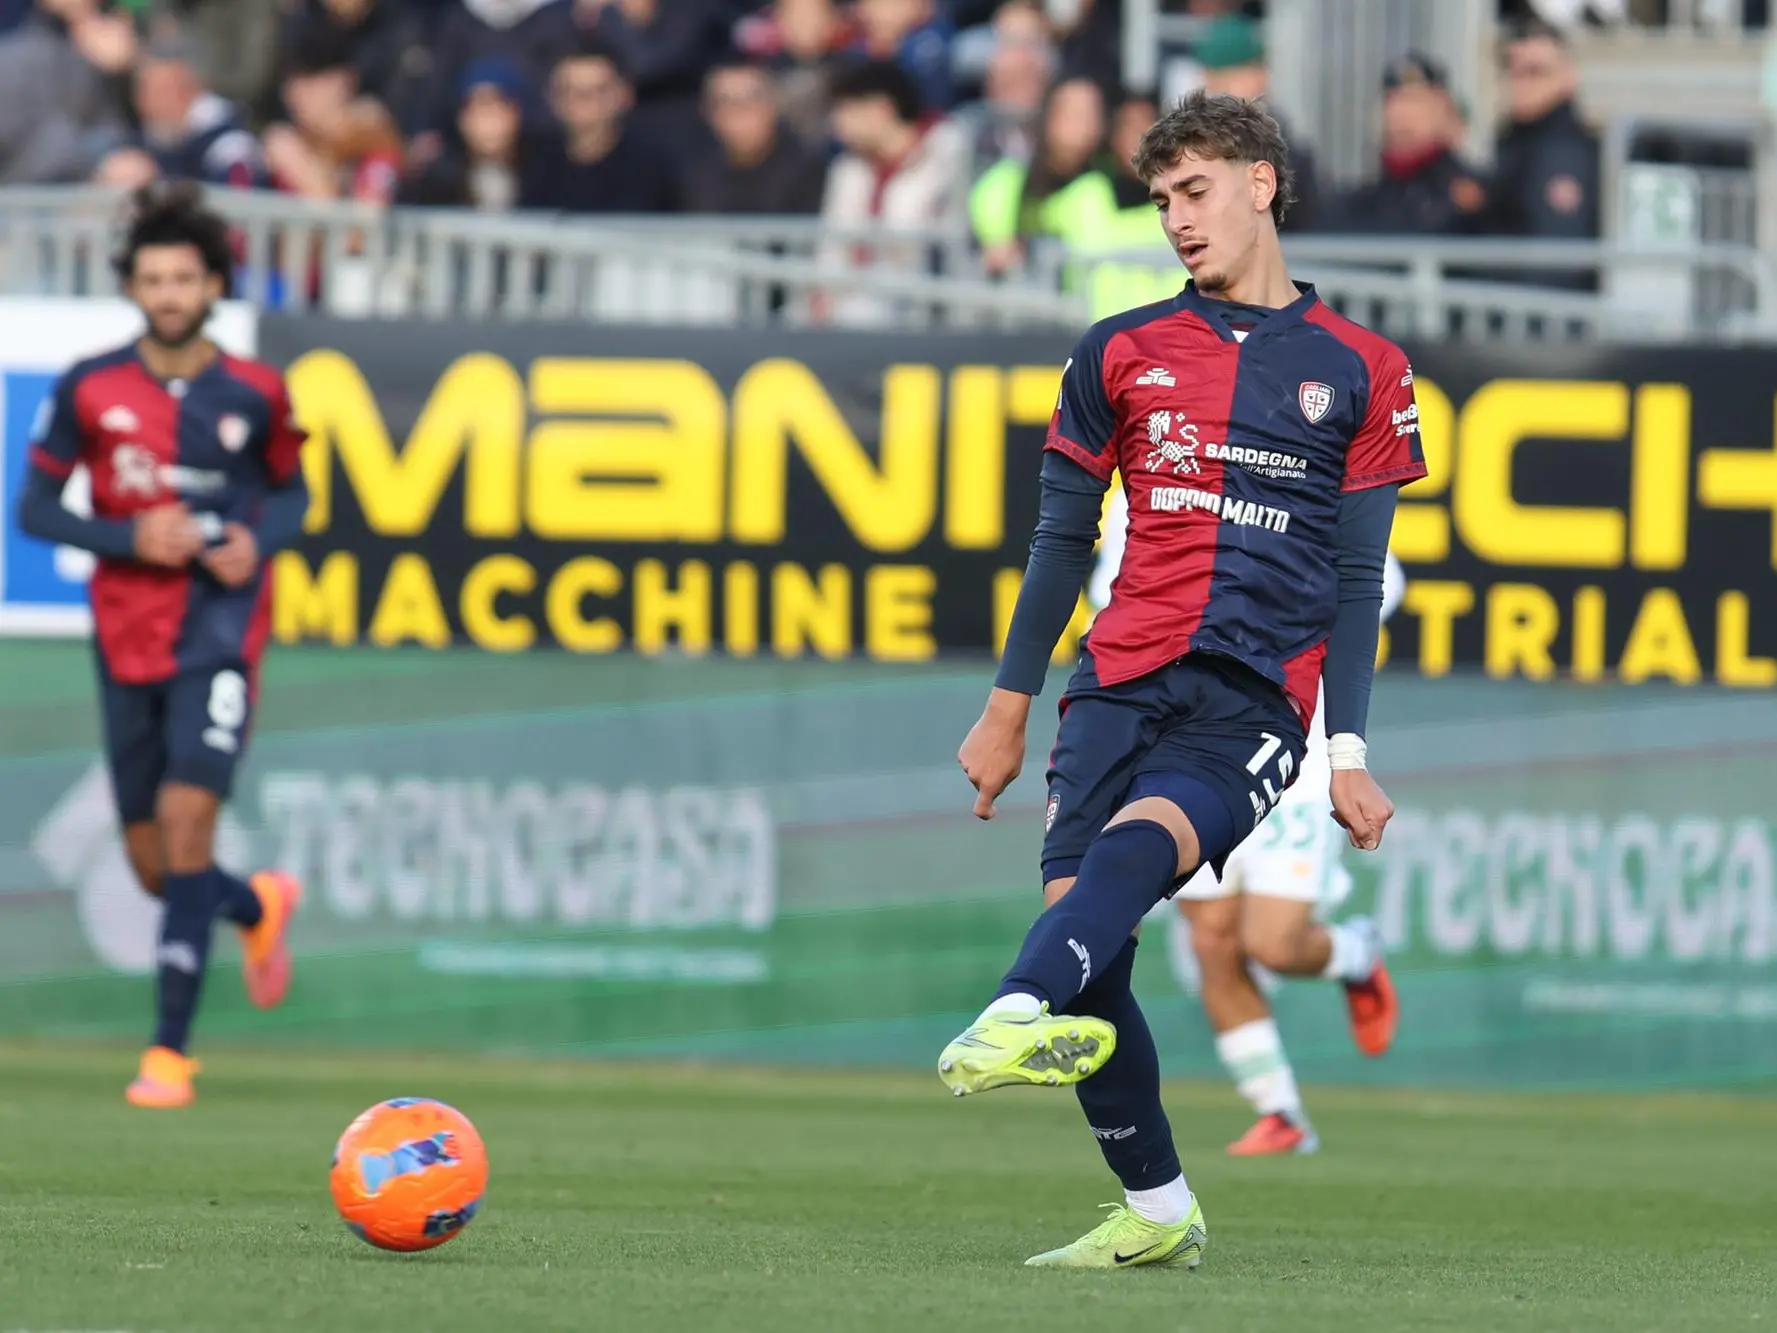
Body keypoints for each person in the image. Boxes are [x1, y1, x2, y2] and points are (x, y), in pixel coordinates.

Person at [943, 91, 1424, 1269]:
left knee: (1133, 855)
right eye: (1161, 201)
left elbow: (1356, 581)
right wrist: (1006, 707)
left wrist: (1347, 754)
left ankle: (1007, 1010)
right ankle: (1157, 1209)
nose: (1176, 219)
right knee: (1090, 949)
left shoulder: (1362, 368)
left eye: (1194, 191)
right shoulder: (1117, 349)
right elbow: (1060, 538)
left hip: (1251, 697)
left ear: (1261, 185)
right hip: (1114, 678)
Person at [12, 183, 307, 1109]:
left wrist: (258, 538)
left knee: (187, 821)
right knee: (154, 866)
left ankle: (168, 1055)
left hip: (220, 630)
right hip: (126, 634)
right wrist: (129, 535)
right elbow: (34, 508)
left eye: (185, 278)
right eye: (153, 279)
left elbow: (294, 494)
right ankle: (255, 904)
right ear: (132, 287)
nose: (170, 293)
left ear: (214, 283)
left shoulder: (256, 391)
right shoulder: (91, 385)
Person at [1091, 477, 1406, 1155]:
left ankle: (1355, 954)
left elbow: (1374, 588)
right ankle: (1279, 1110)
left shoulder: (1300, 468)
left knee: (1272, 942)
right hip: (1188, 739)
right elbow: (1114, 602)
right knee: (1210, 936)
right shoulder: (1144, 482)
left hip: (1289, 742)